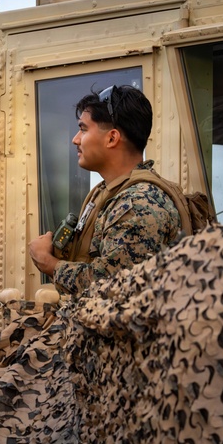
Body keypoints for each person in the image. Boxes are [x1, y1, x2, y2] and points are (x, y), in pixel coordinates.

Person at [28, 85, 182, 297]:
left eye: (83, 129)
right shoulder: (108, 193)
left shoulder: (139, 204)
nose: (75, 139)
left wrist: (49, 264)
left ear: (112, 138)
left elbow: (112, 287)